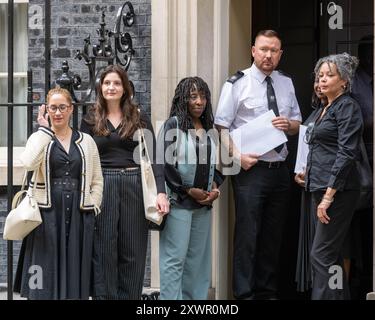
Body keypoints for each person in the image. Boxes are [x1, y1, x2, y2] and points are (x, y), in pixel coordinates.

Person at [214, 29, 302, 300]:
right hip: (251, 172)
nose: (268, 55)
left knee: (273, 237)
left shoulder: (286, 82)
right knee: (247, 237)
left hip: (279, 171)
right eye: (263, 49)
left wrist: (289, 125)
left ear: (280, 54)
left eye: (274, 50)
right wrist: (238, 157)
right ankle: (244, 295)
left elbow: (298, 123)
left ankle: (267, 293)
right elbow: (221, 126)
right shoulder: (237, 83)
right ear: (253, 51)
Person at [80, 64, 169, 300]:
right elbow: (82, 157)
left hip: (134, 184)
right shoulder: (90, 119)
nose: (112, 87)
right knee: (104, 250)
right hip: (103, 185)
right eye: (107, 83)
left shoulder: (139, 117)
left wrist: (161, 192)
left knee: (133, 250)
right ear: (101, 87)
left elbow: (155, 157)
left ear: (125, 87)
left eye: (117, 83)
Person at [14, 87, 103, 300]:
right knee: (43, 268)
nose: (58, 112)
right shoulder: (39, 138)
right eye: (53, 108)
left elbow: (97, 180)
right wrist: (45, 131)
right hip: (46, 214)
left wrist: (94, 206)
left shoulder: (87, 141)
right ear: (46, 110)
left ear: (71, 109)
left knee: (75, 267)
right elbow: (28, 163)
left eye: (62, 107)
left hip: (80, 214)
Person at [158, 77, 224, 300]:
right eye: (193, 96)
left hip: (203, 204)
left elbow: (214, 165)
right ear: (183, 99)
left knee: (198, 262)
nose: (199, 101)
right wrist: (187, 190)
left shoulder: (208, 127)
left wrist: (215, 188)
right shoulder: (173, 125)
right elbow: (165, 164)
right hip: (179, 202)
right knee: (174, 260)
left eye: (203, 96)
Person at [305, 53, 363, 300]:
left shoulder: (347, 106)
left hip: (337, 191)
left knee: (321, 254)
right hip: (319, 187)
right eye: (320, 75)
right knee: (333, 255)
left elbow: (346, 152)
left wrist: (328, 197)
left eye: (330, 75)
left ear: (344, 80)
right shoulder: (324, 107)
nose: (323, 79)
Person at [295, 80, 328, 293]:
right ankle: (320, 291)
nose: (318, 83)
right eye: (316, 79)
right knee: (317, 248)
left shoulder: (343, 110)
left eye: (326, 77)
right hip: (310, 188)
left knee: (332, 248)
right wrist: (300, 173)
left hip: (329, 190)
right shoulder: (318, 112)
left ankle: (335, 292)